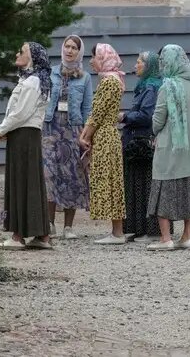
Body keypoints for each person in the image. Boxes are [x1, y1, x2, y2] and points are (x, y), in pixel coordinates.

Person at [146, 45, 190, 251]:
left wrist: (153, 131)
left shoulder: (168, 86)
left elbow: (158, 118)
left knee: (164, 188)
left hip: (171, 149)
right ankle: (186, 237)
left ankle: (166, 238)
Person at [0, 41, 54, 250]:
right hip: (27, 135)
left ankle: (19, 235)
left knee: (21, 181)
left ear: (32, 58)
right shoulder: (32, 80)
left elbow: (21, 113)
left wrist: (1, 129)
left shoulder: (32, 82)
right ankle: (42, 234)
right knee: (31, 182)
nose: (17, 53)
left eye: (22, 51)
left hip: (23, 136)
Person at [42, 34, 93, 239]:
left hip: (73, 130)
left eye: (74, 48)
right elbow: (43, 98)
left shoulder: (85, 77)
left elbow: (87, 107)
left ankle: (68, 227)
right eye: (67, 46)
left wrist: (87, 134)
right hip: (50, 128)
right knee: (49, 175)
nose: (69, 50)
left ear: (79, 52)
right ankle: (50, 223)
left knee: (72, 175)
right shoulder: (51, 72)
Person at [79, 44, 126, 245]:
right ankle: (117, 231)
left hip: (105, 136)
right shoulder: (115, 79)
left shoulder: (108, 82)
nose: (91, 61)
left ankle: (117, 232)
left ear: (103, 57)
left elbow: (97, 114)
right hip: (108, 134)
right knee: (113, 182)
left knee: (110, 183)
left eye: (94, 57)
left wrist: (85, 136)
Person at [122, 51, 164, 242]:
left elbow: (146, 116)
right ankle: (140, 229)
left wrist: (125, 117)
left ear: (148, 66)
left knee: (145, 186)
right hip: (138, 141)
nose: (135, 65)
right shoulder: (145, 86)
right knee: (138, 185)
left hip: (143, 141)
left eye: (139, 62)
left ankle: (151, 230)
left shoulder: (150, 88)